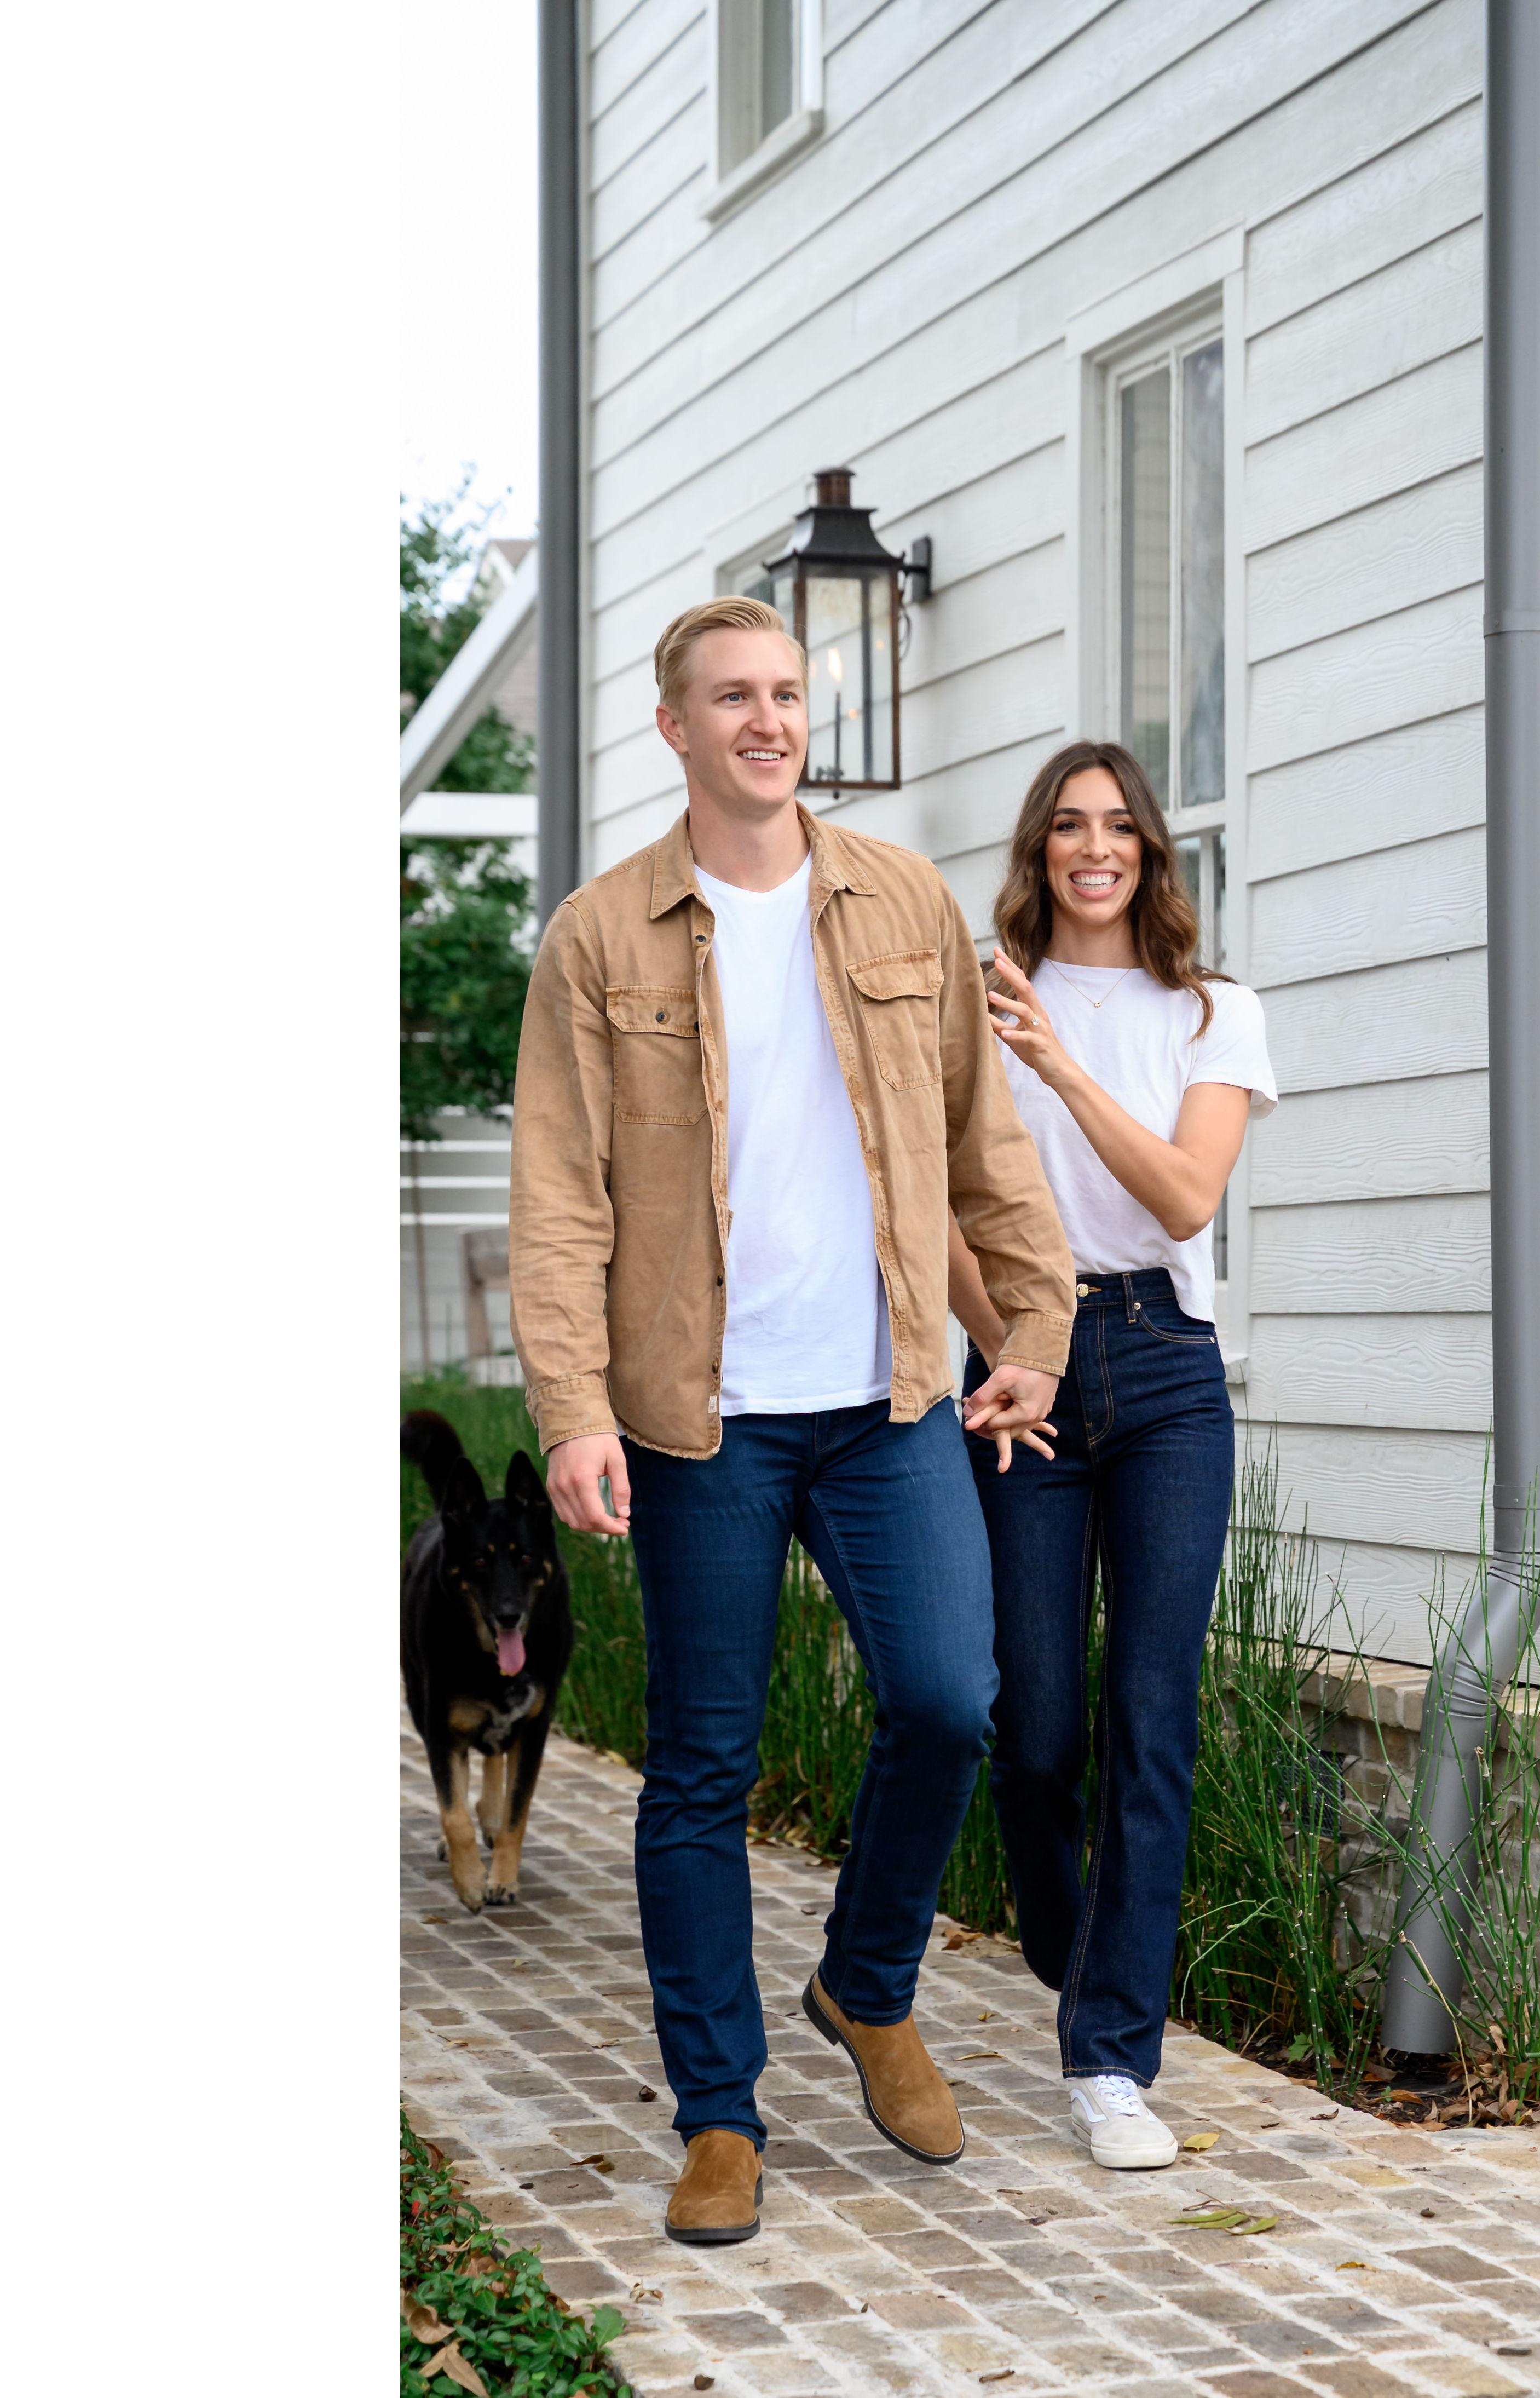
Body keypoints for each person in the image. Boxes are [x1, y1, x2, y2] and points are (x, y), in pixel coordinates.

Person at [509, 596, 1075, 2245]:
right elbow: (559, 1197)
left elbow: (985, 1141)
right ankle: (718, 2116)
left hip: (887, 1394)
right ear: (673, 727)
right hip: (699, 1418)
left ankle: (866, 1983)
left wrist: (1035, 1329)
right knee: (702, 1763)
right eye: (731, 697)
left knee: (950, 1700)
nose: (767, 720)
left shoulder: (900, 898)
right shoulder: (600, 936)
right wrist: (572, 1411)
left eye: (784, 693)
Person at [945, 740, 1278, 2170]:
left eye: (1118, 826)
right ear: (1041, 847)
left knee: (1152, 1715)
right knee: (1030, 1729)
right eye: (1069, 826)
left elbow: (1186, 1196)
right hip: (1018, 1365)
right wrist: (1005, 1346)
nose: (1095, 848)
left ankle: (1108, 2057)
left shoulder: (1213, 1012)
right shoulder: (976, 1000)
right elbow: (936, 1201)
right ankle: (1072, 1946)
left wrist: (1063, 1067)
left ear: (1149, 849)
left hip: (1163, 1372)